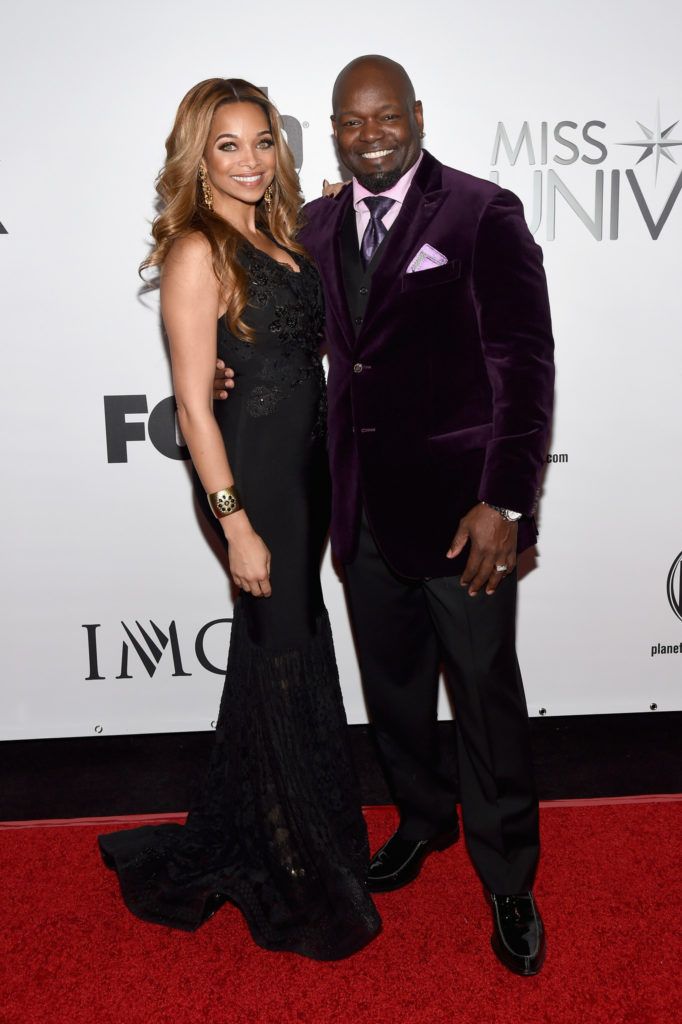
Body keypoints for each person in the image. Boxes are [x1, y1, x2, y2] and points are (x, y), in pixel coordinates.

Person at [215, 56, 554, 976]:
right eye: (351, 123)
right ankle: (420, 820)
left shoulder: (483, 214)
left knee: (484, 694)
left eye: (385, 118)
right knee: (395, 687)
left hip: (464, 519)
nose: (370, 137)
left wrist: (507, 502)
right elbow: (281, 325)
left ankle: (510, 875)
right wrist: (220, 366)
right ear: (333, 130)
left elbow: (524, 369)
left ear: (416, 114)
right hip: (358, 512)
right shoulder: (316, 224)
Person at [98, 78, 381, 962]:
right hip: (253, 481)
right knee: (285, 644)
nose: (252, 159)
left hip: (305, 474)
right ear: (199, 155)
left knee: (280, 654)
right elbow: (191, 404)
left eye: (264, 141)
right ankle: (298, 862)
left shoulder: (281, 235)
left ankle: (281, 832)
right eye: (229, 145)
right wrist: (235, 524)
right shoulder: (198, 251)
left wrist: (332, 213)